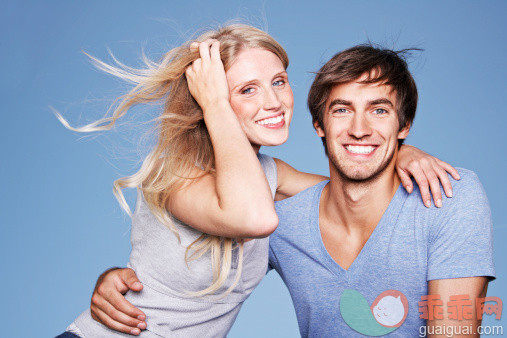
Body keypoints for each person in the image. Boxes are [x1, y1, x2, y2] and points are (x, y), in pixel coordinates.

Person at [57, 26, 460, 338]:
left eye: (279, 81)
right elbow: (253, 218)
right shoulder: (176, 174)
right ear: (207, 98)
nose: (273, 102)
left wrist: (397, 151)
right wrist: (214, 103)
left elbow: (355, 194)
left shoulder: (271, 174)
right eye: (247, 89)